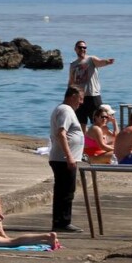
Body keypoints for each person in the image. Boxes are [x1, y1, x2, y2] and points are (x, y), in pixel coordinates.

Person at [48, 85, 85, 233]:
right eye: (80, 98)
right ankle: (63, 222)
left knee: (64, 191)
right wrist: (69, 156)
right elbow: (61, 133)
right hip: (63, 159)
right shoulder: (66, 110)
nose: (81, 102)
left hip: (62, 158)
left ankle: (60, 221)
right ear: (73, 96)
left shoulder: (64, 110)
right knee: (66, 192)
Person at [68, 40, 115, 127]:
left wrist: (107, 62)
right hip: (80, 99)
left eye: (84, 47)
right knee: (81, 123)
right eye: (80, 47)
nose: (82, 49)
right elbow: (71, 81)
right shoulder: (73, 64)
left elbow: (100, 62)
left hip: (93, 97)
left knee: (99, 123)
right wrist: (68, 97)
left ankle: (100, 139)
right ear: (75, 49)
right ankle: (84, 141)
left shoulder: (91, 59)